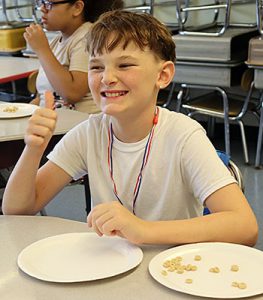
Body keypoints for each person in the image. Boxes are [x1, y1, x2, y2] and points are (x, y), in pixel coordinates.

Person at [3, 11, 258, 246]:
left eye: (124, 65)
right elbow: (17, 209)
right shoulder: (89, 133)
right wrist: (33, 149)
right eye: (96, 67)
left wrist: (143, 230)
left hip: (170, 267)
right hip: (111, 266)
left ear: (163, 75)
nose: (107, 77)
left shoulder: (183, 136)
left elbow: (244, 226)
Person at [24, 0, 123, 112]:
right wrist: (25, 110)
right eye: (40, 2)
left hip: (78, 124)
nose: (42, 8)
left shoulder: (87, 38)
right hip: (53, 122)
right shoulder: (56, 41)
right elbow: (43, 96)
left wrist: (42, 49)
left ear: (77, 7)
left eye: (49, 4)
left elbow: (72, 94)